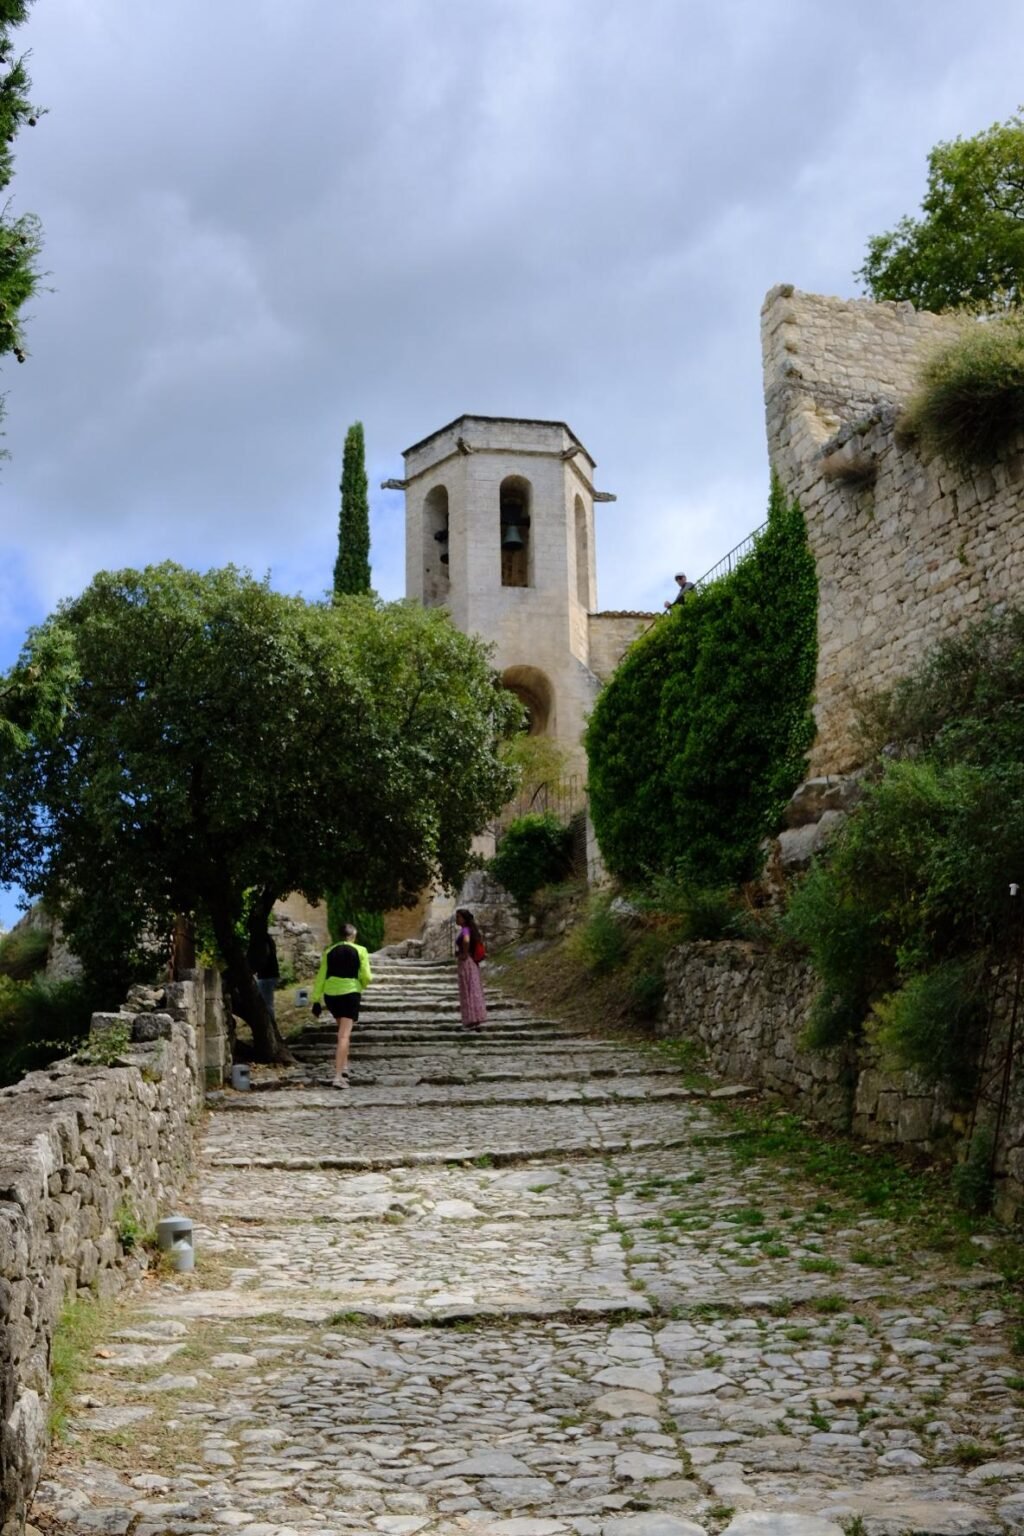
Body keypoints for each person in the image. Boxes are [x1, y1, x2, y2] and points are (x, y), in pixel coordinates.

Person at [311, 923, 373, 1090]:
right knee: (344, 1036)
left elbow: (321, 976)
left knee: (342, 1031)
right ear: (353, 935)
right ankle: (338, 1077)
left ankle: (344, 1067)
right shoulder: (360, 950)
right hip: (349, 993)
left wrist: (316, 999)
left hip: (331, 995)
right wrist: (361, 985)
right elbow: (367, 976)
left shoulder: (329, 951)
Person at [454, 907, 487, 1031]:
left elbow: (466, 941)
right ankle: (476, 1017)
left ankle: (470, 1019)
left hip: (467, 962)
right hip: (472, 962)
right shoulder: (471, 929)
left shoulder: (466, 930)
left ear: (464, 919)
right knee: (473, 988)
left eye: (458, 917)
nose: (456, 919)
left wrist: (464, 953)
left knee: (467, 988)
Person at [247, 928, 280, 1023]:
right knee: (265, 1002)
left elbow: (264, 956)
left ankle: (271, 1024)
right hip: (268, 975)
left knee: (267, 1003)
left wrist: (254, 969)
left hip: (267, 976)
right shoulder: (267, 939)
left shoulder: (262, 940)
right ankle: (269, 1023)